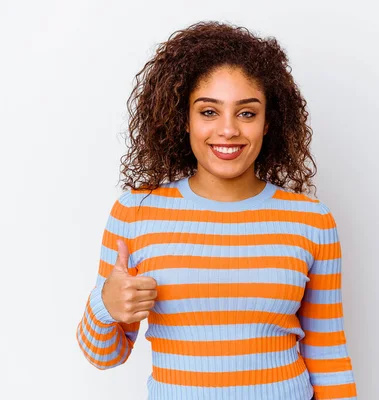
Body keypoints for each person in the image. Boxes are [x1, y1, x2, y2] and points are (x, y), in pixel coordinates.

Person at [75, 20, 357, 400]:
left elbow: (327, 354)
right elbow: (103, 355)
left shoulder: (311, 220)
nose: (228, 130)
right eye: (209, 112)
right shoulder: (135, 212)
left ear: (268, 122)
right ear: (184, 120)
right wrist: (105, 305)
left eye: (246, 113)